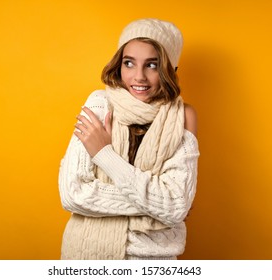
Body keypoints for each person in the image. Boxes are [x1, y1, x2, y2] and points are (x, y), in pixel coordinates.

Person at [58, 18, 199, 260]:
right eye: (129, 63)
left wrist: (105, 155)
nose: (139, 76)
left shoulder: (183, 116)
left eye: (152, 65)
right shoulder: (99, 104)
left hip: (153, 260)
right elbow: (74, 193)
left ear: (170, 70)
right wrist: (159, 205)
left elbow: (175, 205)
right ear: (118, 65)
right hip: (85, 255)